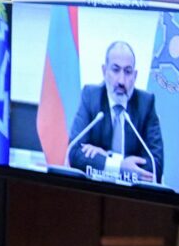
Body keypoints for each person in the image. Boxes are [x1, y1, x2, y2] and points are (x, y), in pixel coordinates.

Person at [68, 40, 163, 183]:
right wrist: (120, 166)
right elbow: (74, 153)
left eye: (128, 72)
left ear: (135, 76)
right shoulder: (91, 96)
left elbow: (156, 166)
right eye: (115, 69)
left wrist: (107, 159)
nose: (121, 81)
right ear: (104, 71)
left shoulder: (146, 103)